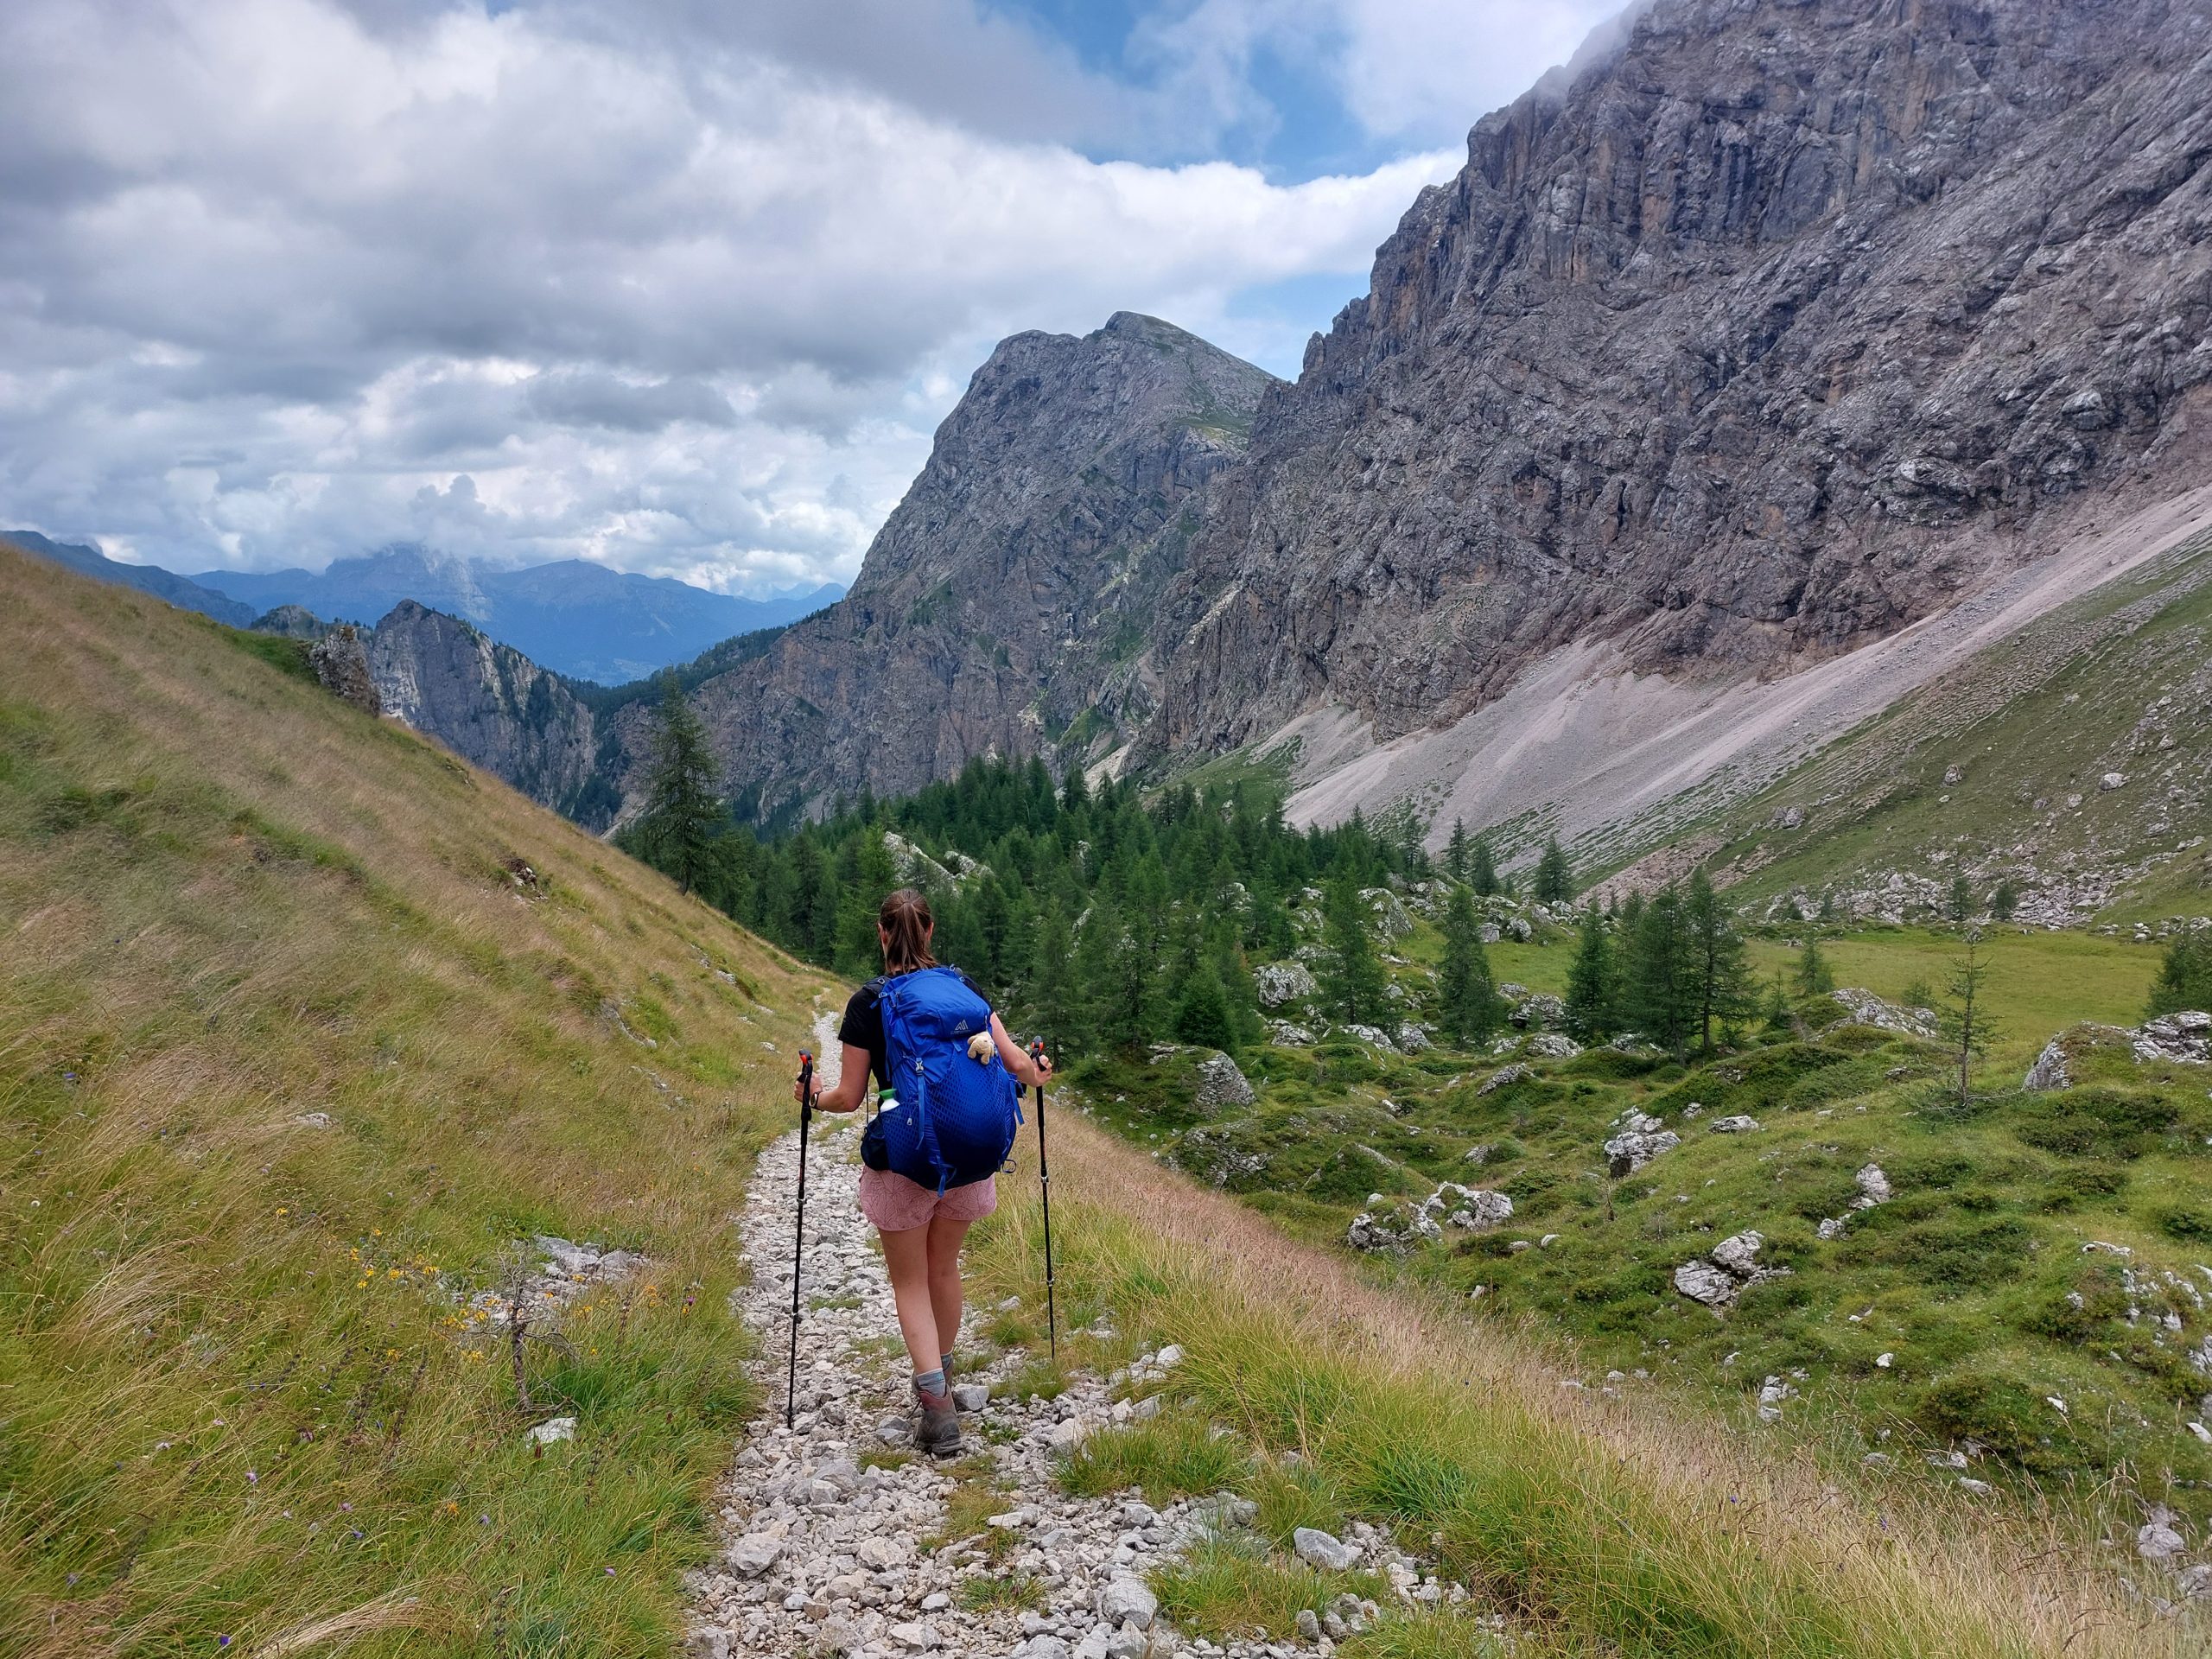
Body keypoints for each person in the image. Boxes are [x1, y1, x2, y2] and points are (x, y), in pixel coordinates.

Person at [797, 887, 1052, 1453]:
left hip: (905, 1160)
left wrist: (810, 1095)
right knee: (944, 1269)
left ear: (882, 933)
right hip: (968, 1159)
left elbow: (849, 1097)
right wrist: (1038, 1069)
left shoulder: (868, 1003)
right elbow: (1018, 1065)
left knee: (910, 1281)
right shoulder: (965, 988)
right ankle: (945, 1377)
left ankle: (937, 1410)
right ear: (931, 930)